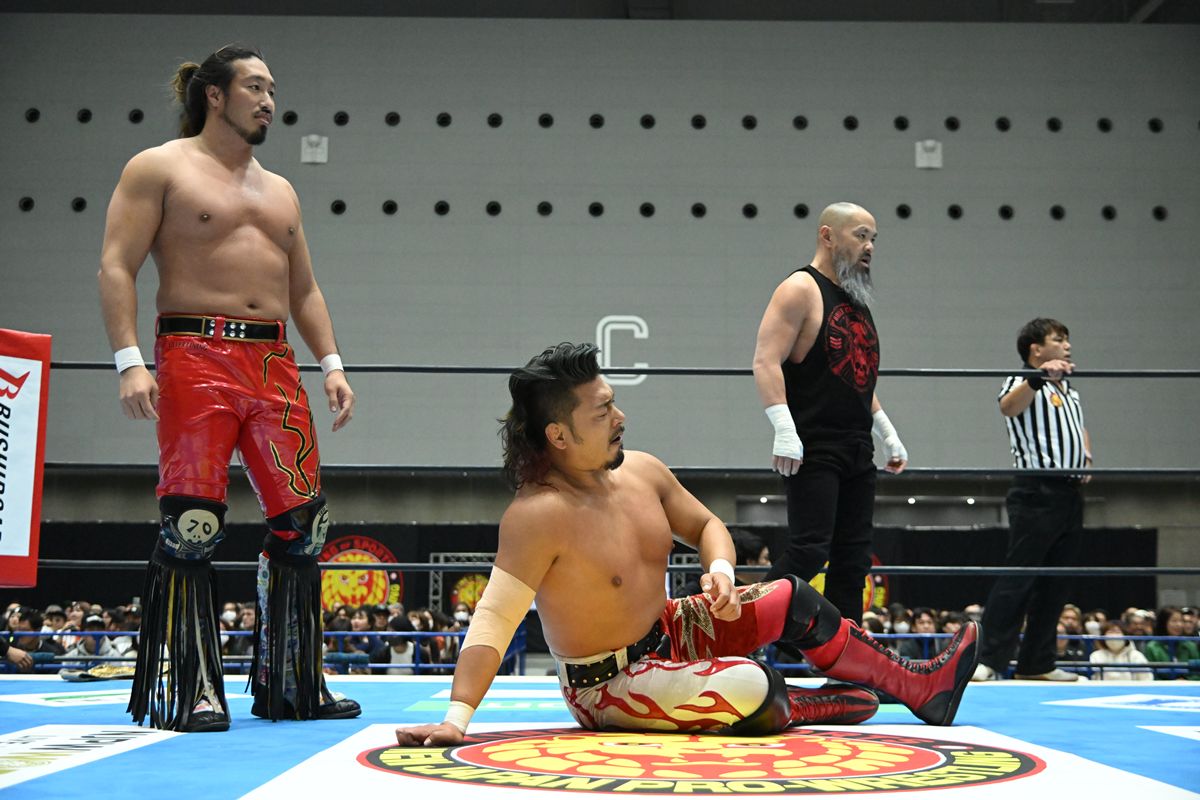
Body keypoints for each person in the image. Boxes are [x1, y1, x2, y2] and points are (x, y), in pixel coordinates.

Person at [395, 343, 978, 748]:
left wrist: (720, 569)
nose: (620, 417)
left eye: (613, 402)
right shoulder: (537, 515)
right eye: (603, 411)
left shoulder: (642, 471)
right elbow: (494, 620)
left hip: (669, 629)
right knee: (756, 687)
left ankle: (921, 686)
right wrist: (456, 718)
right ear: (559, 435)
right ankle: (826, 701)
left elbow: (705, 526)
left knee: (790, 597)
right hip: (607, 683)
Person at [98, 44, 359, 732]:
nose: (269, 100)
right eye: (255, 87)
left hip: (273, 362)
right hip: (193, 354)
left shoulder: (282, 191)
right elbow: (117, 265)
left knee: (305, 525)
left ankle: (292, 683)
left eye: (272, 89)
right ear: (214, 95)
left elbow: (305, 289)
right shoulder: (160, 167)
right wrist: (129, 360)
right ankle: (192, 689)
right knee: (193, 524)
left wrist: (331, 363)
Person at [752, 203, 908, 625]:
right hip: (815, 444)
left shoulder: (857, 301)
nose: (870, 246)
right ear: (828, 235)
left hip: (857, 448)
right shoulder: (800, 288)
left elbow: (855, 377)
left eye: (873, 238)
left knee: (853, 561)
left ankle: (844, 657)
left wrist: (887, 432)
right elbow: (765, 360)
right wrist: (783, 428)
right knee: (808, 551)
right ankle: (734, 630)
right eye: (861, 235)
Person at [972, 318, 1091, 683]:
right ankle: (987, 659)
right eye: (1059, 339)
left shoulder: (1068, 389)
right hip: (1037, 490)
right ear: (1036, 349)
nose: (1067, 346)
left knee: (1056, 582)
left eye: (1068, 340)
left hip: (1070, 493)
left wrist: (1086, 456)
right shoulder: (1021, 379)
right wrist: (1039, 377)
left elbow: (1078, 426)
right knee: (1019, 578)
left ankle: (1037, 663)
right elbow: (1008, 407)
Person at [1144, 606, 1199, 680]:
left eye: (1181, 621)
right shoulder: (1152, 647)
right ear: (1164, 623)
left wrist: (1186, 680)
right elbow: (1151, 676)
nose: (1179, 625)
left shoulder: (1190, 645)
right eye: (1174, 621)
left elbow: (1197, 673)